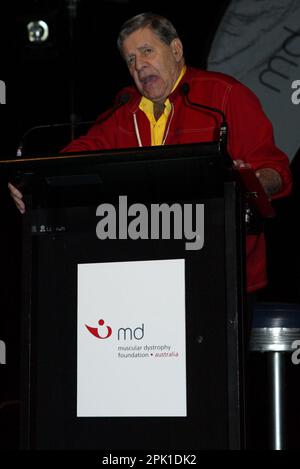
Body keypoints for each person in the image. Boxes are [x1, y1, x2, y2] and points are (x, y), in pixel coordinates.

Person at [8, 12, 292, 293]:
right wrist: (36, 183)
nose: (139, 65)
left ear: (176, 49)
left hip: (221, 273)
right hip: (146, 271)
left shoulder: (225, 96)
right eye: (130, 60)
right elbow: (79, 156)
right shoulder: (124, 111)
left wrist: (249, 182)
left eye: (146, 51)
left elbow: (276, 170)